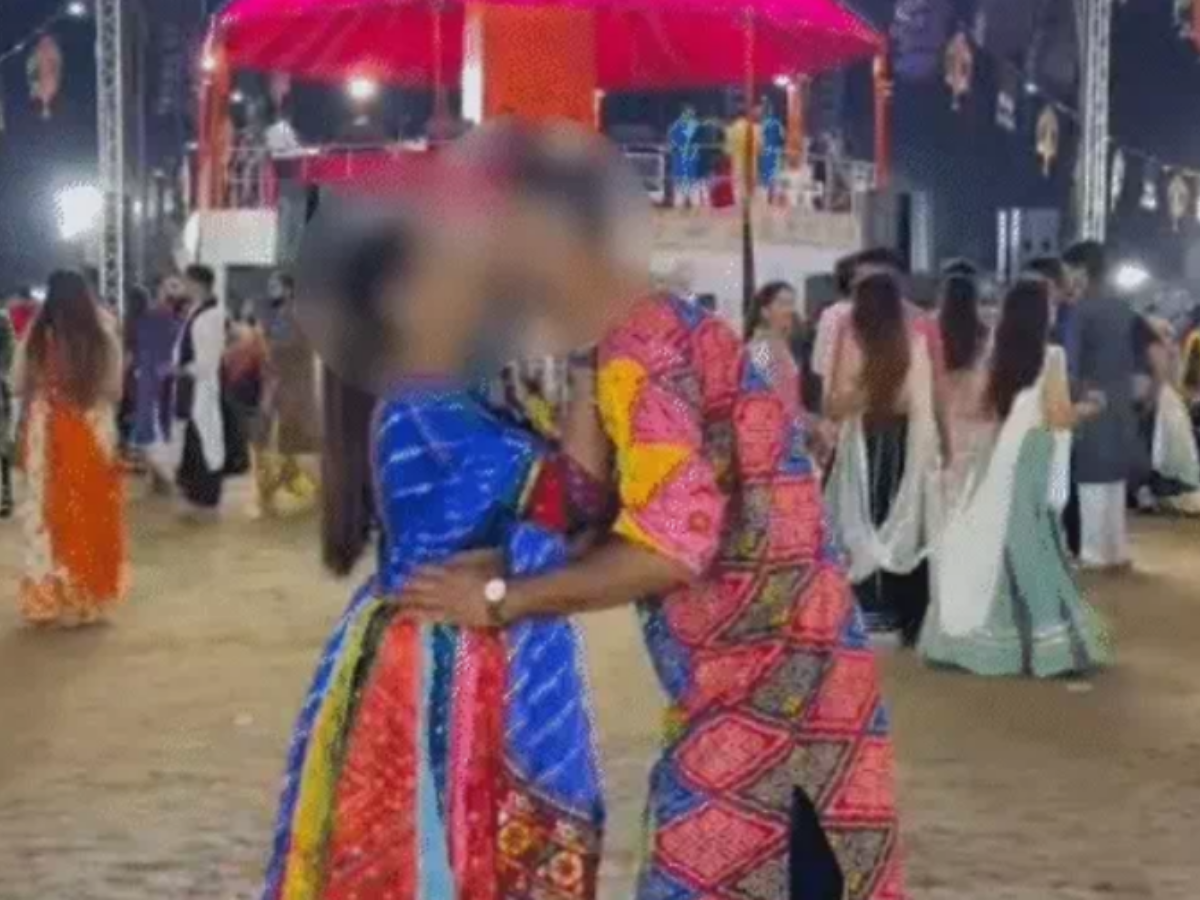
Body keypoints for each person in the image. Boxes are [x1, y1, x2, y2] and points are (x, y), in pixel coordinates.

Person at [396, 123, 907, 899]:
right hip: (775, 684)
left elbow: (671, 547)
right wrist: (577, 366)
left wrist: (503, 599)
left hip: (768, 696)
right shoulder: (622, 340)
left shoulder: (644, 345)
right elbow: (590, 509)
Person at [260, 195, 604, 900]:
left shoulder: (453, 390)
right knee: (440, 862)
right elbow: (572, 501)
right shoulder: (429, 397)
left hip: (445, 639)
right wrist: (587, 367)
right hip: (449, 659)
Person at [920, 277, 1111, 677]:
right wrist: (1093, 406)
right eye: (1051, 305)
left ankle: (997, 638)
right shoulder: (1051, 356)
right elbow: (1059, 416)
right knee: (1034, 543)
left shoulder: (995, 356)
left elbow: (982, 411)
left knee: (1004, 543)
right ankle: (1048, 645)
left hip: (1002, 455)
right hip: (1033, 454)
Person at [824, 271, 943, 646]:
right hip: (896, 438)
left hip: (867, 437)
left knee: (868, 516)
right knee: (892, 515)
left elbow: (831, 397)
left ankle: (876, 609)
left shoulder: (849, 334)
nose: (787, 312)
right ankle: (901, 610)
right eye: (781, 303)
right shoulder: (766, 346)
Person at [9, 270, 126, 626]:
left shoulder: (37, 334)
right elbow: (114, 388)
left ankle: (48, 599)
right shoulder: (102, 331)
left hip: (45, 433)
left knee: (44, 512)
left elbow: (16, 383)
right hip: (93, 427)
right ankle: (83, 599)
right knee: (89, 510)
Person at [1062, 241, 1139, 571]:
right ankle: (1116, 550)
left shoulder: (1082, 310)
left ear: (1081, 270)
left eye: (1070, 271)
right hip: (1121, 397)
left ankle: (1094, 553)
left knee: (1091, 474)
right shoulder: (1123, 306)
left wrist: (1073, 396)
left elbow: (1073, 363)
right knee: (1115, 478)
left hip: (1091, 397)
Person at [255, 272, 320, 516]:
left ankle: (272, 497)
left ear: (288, 289)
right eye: (270, 285)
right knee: (287, 449)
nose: (270, 289)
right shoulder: (285, 315)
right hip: (287, 390)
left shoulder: (292, 316)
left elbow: (282, 353)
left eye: (275, 285)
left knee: (289, 448)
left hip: (289, 392)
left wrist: (265, 342)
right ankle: (272, 495)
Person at [174, 264, 228, 516]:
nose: (183, 286)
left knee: (205, 441)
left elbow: (207, 361)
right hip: (193, 385)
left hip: (202, 386)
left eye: (186, 281)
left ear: (198, 284)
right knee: (196, 439)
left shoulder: (211, 315)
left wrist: (180, 370)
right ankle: (197, 494)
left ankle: (207, 497)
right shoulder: (197, 310)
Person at [937, 273, 994, 511]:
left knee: (945, 494)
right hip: (975, 405)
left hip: (944, 410)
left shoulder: (933, 329)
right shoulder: (983, 332)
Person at [134, 276, 187, 493]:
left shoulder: (179, 319)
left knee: (165, 429)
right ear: (159, 291)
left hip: (170, 383)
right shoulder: (154, 317)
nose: (174, 291)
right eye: (170, 286)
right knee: (154, 430)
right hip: (153, 381)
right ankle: (162, 477)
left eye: (177, 287)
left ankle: (161, 478)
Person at [746, 280, 803, 417]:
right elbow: (755, 393)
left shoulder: (781, 344)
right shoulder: (761, 348)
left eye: (792, 303)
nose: (790, 310)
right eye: (783, 304)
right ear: (765, 312)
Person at [667, 106, 702, 209]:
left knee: (688, 199)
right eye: (690, 114)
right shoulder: (689, 127)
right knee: (686, 199)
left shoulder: (675, 127)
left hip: (688, 168)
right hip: (684, 168)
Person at [0, 300, 15, 517]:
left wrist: (1, 372)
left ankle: (5, 494)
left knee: (2, 445)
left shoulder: (2, 319)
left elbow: (9, 350)